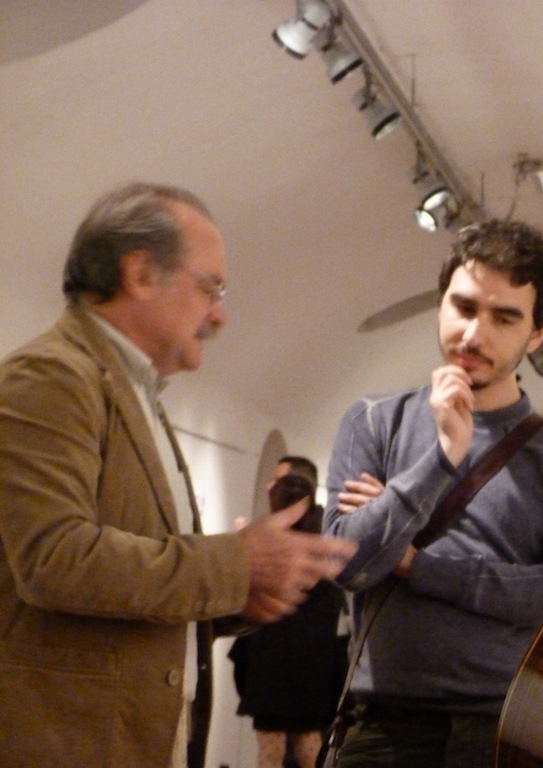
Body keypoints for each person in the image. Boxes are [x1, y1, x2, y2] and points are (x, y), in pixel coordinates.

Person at [0, 182, 357, 768]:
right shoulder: (52, 377)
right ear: (140, 274)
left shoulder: (137, 394)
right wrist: (235, 564)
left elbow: (131, 584)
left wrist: (238, 598)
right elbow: (54, 559)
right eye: (210, 289)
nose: (219, 314)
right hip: (71, 742)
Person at [323, 219, 543, 767]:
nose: (475, 335)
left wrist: (414, 564)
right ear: (441, 305)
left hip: (507, 729)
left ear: (538, 333)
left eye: (505, 318)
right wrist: (443, 457)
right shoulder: (375, 421)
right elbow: (347, 564)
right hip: (383, 729)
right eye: (464, 307)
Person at [230, 456, 349, 768]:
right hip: (312, 668)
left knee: (271, 752)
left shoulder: (273, 546)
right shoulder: (323, 543)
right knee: (309, 746)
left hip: (270, 665)